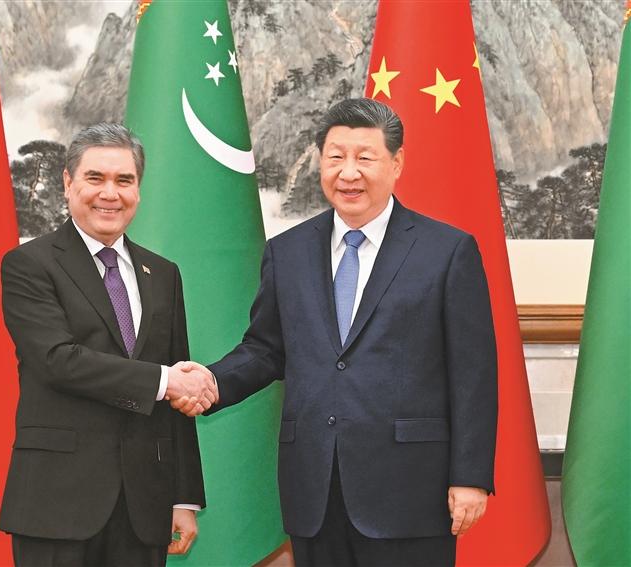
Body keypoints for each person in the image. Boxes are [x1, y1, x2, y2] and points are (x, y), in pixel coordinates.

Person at [176, 98, 497, 566]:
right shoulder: (287, 252)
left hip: (411, 491)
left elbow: (473, 374)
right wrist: (211, 381)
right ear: (320, 162)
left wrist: (470, 476)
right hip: (315, 491)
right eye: (335, 157)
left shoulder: (447, 251)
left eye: (365, 157)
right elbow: (266, 349)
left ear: (396, 163)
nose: (349, 173)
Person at [0, 123, 218, 566]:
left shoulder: (164, 274)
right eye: (95, 178)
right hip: (57, 504)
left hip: (144, 507)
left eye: (124, 180)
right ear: (68, 182)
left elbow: (175, 387)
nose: (110, 194)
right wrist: (165, 381)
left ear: (138, 189)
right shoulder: (28, 264)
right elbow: (57, 361)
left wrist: (184, 496)